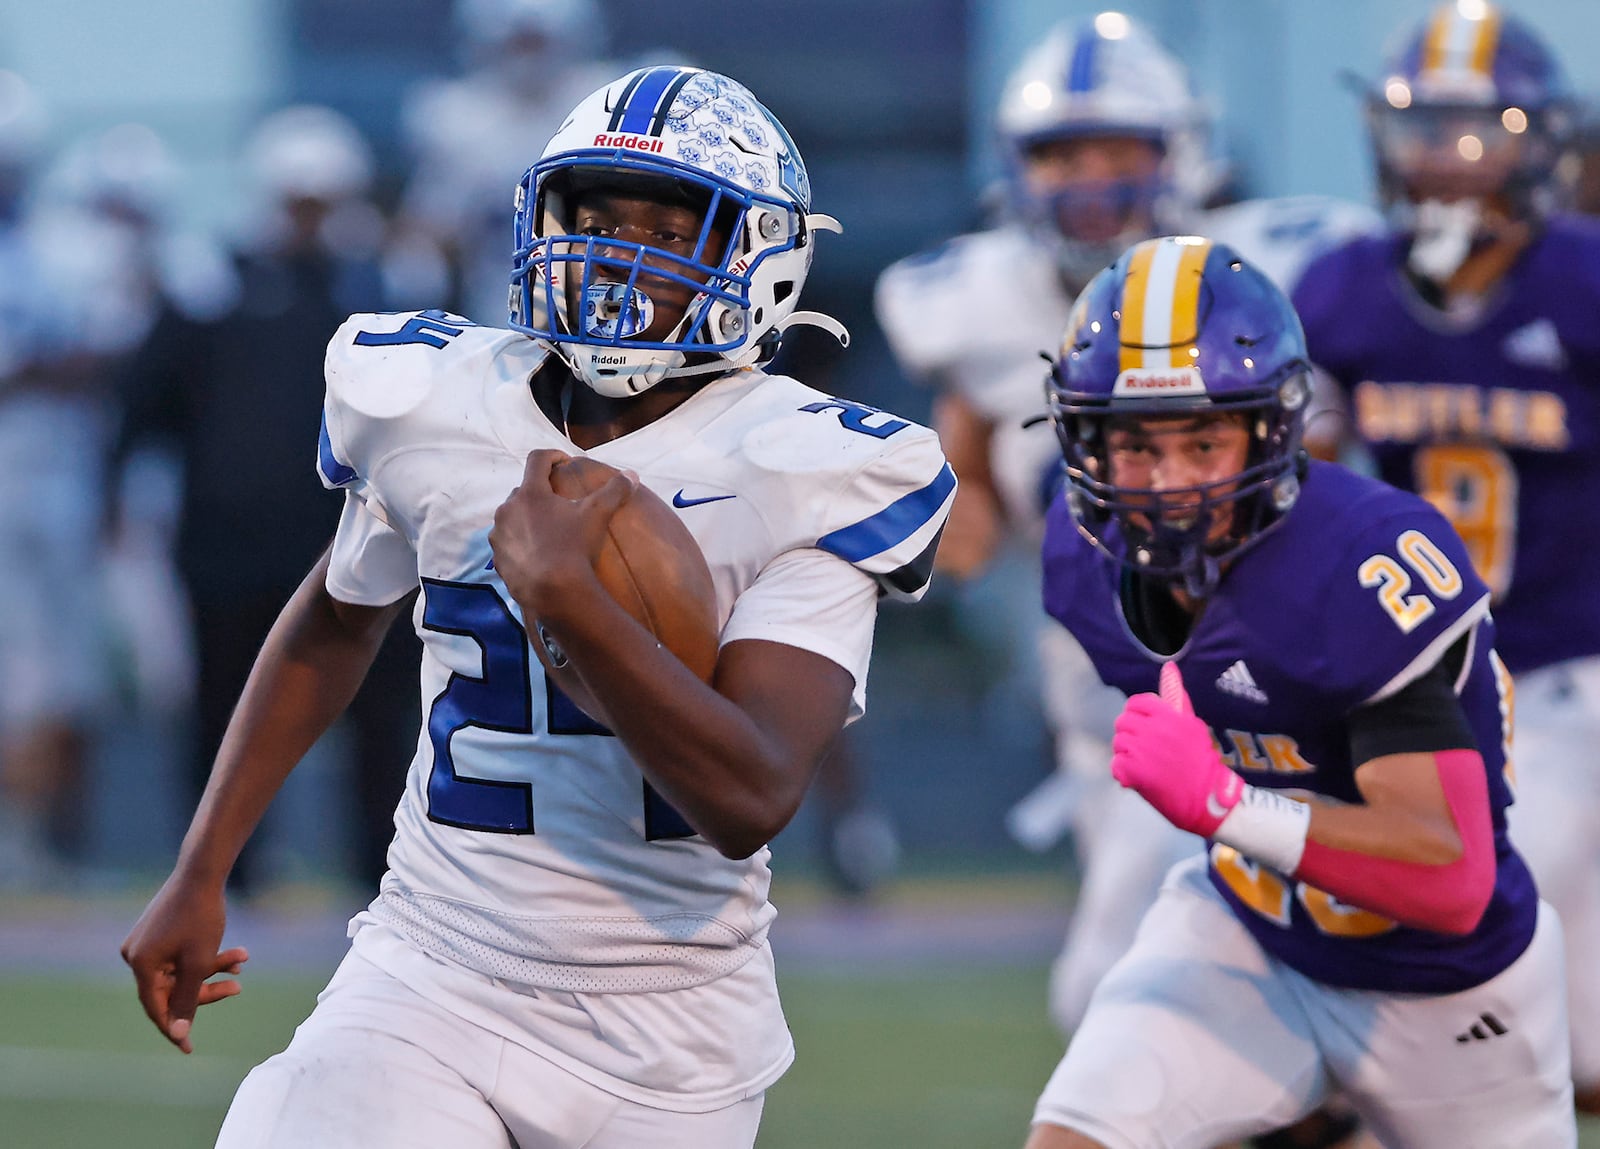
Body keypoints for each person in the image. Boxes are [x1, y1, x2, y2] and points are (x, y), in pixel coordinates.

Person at [121, 65, 953, 1148]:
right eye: (596, 216)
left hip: (673, 1027)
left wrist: (569, 599)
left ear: (761, 256)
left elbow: (750, 791)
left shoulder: (806, 465)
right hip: (433, 965)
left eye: (673, 224)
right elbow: (336, 616)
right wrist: (201, 865)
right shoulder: (440, 402)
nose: (623, 250)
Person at [875, 12, 1378, 1042]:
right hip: (1105, 701)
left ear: (1180, 150)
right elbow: (966, 504)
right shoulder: (968, 300)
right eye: (1061, 153)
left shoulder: (1267, 269)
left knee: (1120, 997)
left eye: (1116, 149)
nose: (1089, 178)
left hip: (1274, 678)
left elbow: (1350, 453)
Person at [1021, 234, 1573, 1148]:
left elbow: (1452, 877)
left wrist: (1224, 804)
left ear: (1271, 431)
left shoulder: (1355, 561)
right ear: (1084, 439)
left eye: (1203, 440)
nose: (1168, 484)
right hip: (1247, 934)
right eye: (1133, 444)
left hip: (1442, 983)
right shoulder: (1079, 560)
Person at [1291, 1, 1600, 1114]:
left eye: (1481, 131)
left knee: (1473, 971)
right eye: (1426, 129)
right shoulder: (1342, 290)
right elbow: (1296, 488)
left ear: (1541, 144)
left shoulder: (1581, 282)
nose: (1449, 160)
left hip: (1574, 675)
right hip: (1441, 677)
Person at [114, 105, 424, 894]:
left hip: (361, 541)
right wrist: (118, 500)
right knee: (224, 711)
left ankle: (384, 873)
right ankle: (221, 875)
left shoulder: (387, 285)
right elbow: (144, 406)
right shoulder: (209, 284)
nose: (308, 218)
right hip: (229, 545)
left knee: (382, 717)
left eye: (320, 201)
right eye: (296, 200)